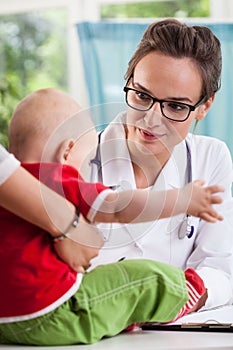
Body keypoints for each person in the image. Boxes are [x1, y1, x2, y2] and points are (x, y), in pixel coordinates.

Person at [0, 87, 223, 346]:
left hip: (5, 322)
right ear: (67, 152)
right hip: (53, 314)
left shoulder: (9, 194)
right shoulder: (58, 180)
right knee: (143, 278)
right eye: (86, 158)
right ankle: (185, 292)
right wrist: (181, 199)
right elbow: (119, 206)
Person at [89, 18, 233, 311]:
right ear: (128, 82)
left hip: (173, 331)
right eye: (142, 95)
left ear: (204, 107)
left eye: (176, 106)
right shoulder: (81, 158)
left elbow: (219, 267)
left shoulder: (211, 158)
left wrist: (182, 297)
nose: (152, 119)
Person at [0, 144, 102, 273]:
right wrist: (71, 226)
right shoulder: (65, 181)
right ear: (66, 153)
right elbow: (116, 206)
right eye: (89, 161)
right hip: (55, 288)